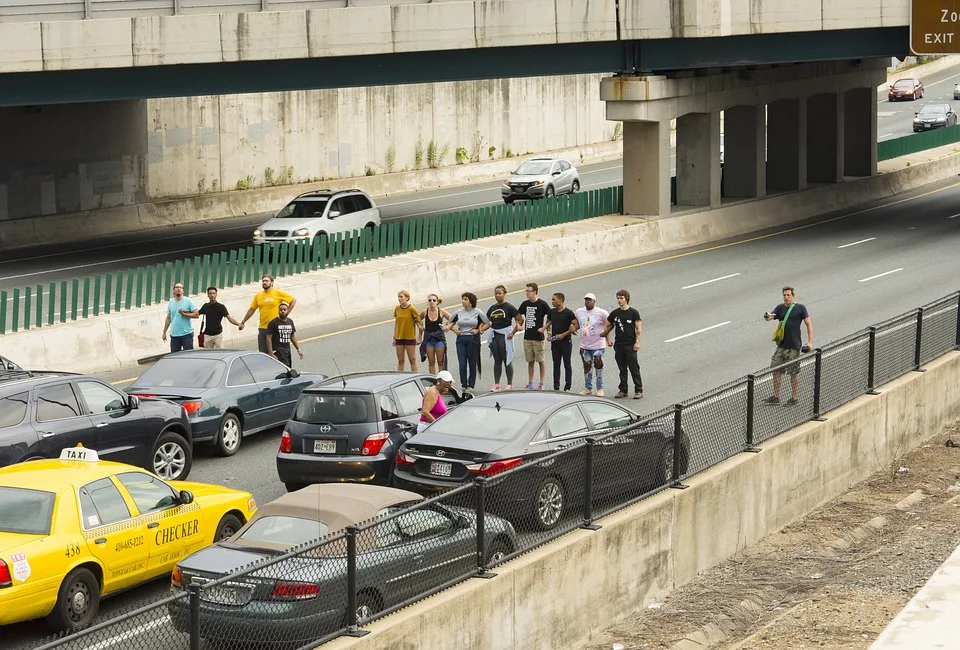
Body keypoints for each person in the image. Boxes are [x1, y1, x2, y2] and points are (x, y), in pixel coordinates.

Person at [763, 286, 814, 405]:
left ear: (793, 296)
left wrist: (810, 342)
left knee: (793, 373)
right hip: (782, 345)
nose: (786, 297)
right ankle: (775, 396)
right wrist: (767, 316)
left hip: (794, 347)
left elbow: (808, 324)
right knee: (776, 369)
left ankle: (794, 397)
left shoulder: (800, 308)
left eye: (788, 295)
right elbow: (771, 316)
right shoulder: (780, 308)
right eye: (784, 295)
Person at [603, 289, 643, 399]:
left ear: (627, 299)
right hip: (619, 345)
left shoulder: (633, 313)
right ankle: (623, 390)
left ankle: (638, 390)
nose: (619, 300)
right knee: (622, 369)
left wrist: (637, 342)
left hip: (630, 345)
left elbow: (638, 329)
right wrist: (608, 339)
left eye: (621, 298)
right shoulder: (615, 313)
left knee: (634, 368)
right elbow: (607, 325)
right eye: (618, 298)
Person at [239, 275, 296, 354]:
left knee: (278, 353)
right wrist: (243, 321)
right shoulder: (258, 295)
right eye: (263, 281)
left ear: (272, 282)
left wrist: (285, 314)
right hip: (263, 328)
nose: (264, 282)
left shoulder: (278, 293)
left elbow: (293, 300)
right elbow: (252, 309)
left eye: (266, 281)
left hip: (276, 328)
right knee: (264, 354)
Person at [446, 292, 490, 392]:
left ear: (471, 302)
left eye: (465, 299)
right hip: (461, 340)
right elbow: (448, 322)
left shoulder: (477, 312)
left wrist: (478, 330)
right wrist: (454, 330)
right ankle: (464, 384)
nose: (463, 301)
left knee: (472, 363)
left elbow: (488, 323)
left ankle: (471, 385)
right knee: (462, 363)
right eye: (462, 299)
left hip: (473, 339)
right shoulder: (458, 312)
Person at [576, 293, 612, 397]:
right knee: (587, 367)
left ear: (594, 301)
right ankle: (588, 388)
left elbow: (609, 324)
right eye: (586, 299)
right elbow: (577, 323)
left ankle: (600, 388)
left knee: (598, 365)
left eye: (590, 300)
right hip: (585, 345)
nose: (588, 301)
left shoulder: (601, 313)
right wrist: (573, 328)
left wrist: (608, 338)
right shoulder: (579, 312)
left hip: (598, 345)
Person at [517, 282, 551, 390]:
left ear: (534, 292)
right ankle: (530, 382)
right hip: (527, 337)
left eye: (528, 291)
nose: (526, 293)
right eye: (526, 291)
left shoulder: (542, 304)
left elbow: (551, 317)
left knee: (541, 360)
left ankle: (541, 383)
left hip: (538, 338)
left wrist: (544, 328)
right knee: (530, 361)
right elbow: (518, 316)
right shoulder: (525, 304)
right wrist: (518, 324)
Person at [542, 292, 579, 392]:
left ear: (561, 300)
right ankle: (556, 387)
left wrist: (564, 334)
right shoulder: (552, 312)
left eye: (554, 299)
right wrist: (549, 333)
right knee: (556, 364)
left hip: (566, 342)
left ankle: (567, 387)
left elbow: (576, 326)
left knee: (567, 364)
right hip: (555, 343)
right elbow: (548, 322)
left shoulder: (569, 313)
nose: (552, 301)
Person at [486, 285, 519, 391]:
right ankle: (497, 384)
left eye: (499, 293)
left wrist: (513, 332)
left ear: (504, 294)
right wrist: (480, 329)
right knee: (497, 360)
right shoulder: (492, 308)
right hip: (494, 334)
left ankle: (510, 384)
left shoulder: (509, 307)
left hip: (505, 335)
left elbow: (519, 319)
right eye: (496, 293)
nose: (497, 295)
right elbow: (487, 322)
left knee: (506, 359)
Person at [419, 294, 451, 374]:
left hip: (439, 339)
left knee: (440, 362)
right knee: (431, 362)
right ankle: (433, 380)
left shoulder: (442, 311)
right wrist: (420, 328)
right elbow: (417, 320)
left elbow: (453, 319)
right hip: (429, 339)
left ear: (437, 302)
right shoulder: (425, 312)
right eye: (430, 300)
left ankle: (440, 380)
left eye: (434, 300)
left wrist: (448, 326)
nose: (432, 302)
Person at [266, 301, 303, 368]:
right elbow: (268, 338)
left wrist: (298, 349)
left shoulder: (290, 321)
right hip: (279, 350)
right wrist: (271, 353)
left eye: (284, 309)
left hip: (287, 350)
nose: (282, 311)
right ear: (278, 311)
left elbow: (292, 336)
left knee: (289, 367)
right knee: (286, 369)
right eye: (281, 310)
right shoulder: (273, 322)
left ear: (287, 310)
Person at [162, 282, 196, 353]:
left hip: (186, 334)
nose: (179, 289)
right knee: (175, 357)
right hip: (174, 335)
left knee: (188, 356)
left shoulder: (188, 301)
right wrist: (164, 332)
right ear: (173, 290)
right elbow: (168, 318)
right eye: (177, 287)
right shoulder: (171, 302)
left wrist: (185, 314)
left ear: (183, 291)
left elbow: (196, 314)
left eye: (180, 288)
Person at [393, 290, 423, 372]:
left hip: (409, 337)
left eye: (401, 297)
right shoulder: (397, 308)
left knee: (412, 360)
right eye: (398, 297)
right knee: (400, 361)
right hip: (399, 338)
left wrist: (420, 337)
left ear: (407, 298)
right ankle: (399, 378)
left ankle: (415, 377)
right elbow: (397, 323)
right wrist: (394, 338)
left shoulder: (411, 309)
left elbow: (420, 323)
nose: (399, 299)